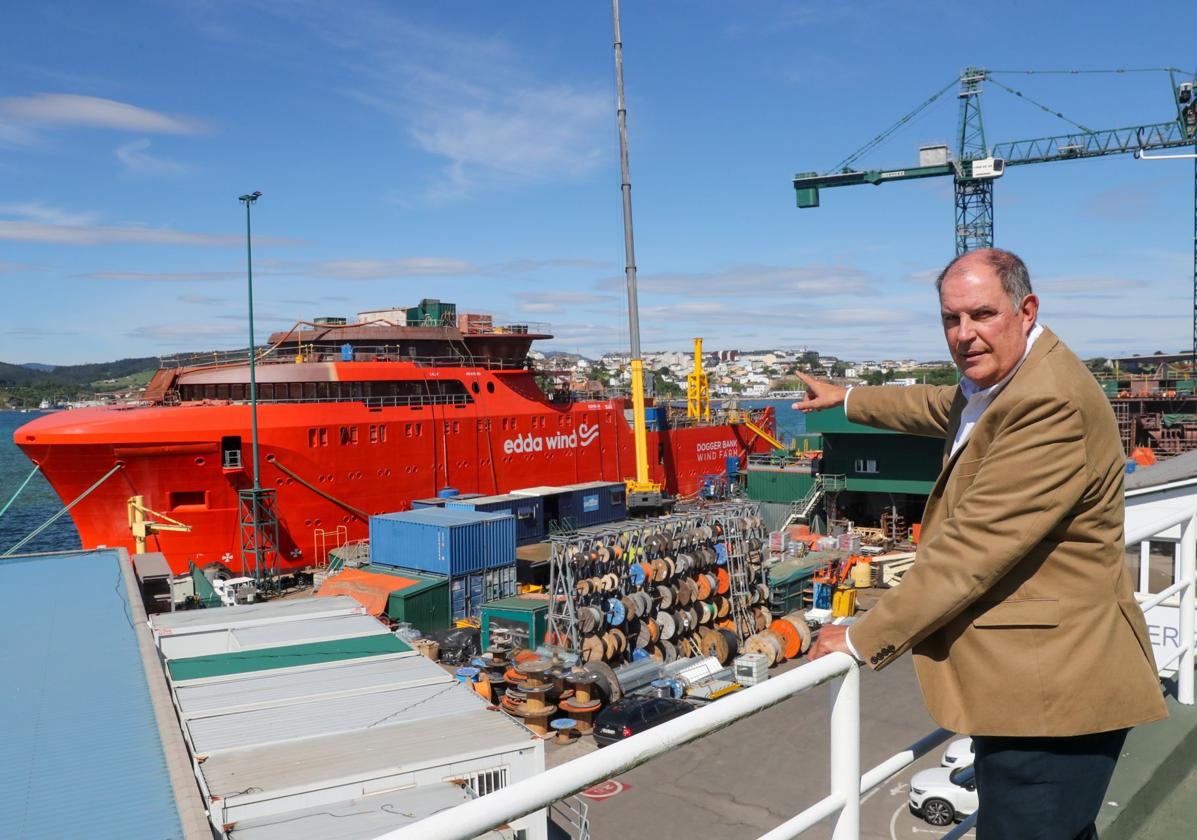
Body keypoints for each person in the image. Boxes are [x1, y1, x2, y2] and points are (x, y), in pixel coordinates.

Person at [797, 248, 1167, 840]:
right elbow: (937, 405)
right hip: (1036, 686)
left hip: (1051, 700)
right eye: (951, 319)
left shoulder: (1049, 403)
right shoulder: (1011, 379)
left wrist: (863, 635)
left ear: (1026, 309)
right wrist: (845, 398)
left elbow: (970, 554)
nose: (964, 334)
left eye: (981, 314)